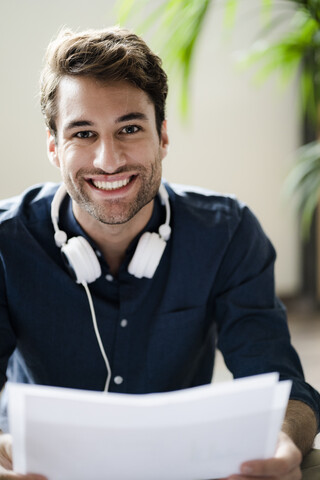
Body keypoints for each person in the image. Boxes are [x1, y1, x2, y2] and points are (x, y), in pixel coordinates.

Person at [0, 26, 319, 480]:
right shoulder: (7, 241)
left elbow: (281, 382)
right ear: (54, 146)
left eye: (129, 128)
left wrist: (283, 438)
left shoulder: (226, 232)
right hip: (34, 467)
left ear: (163, 136)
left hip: (180, 466)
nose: (108, 160)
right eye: (83, 133)